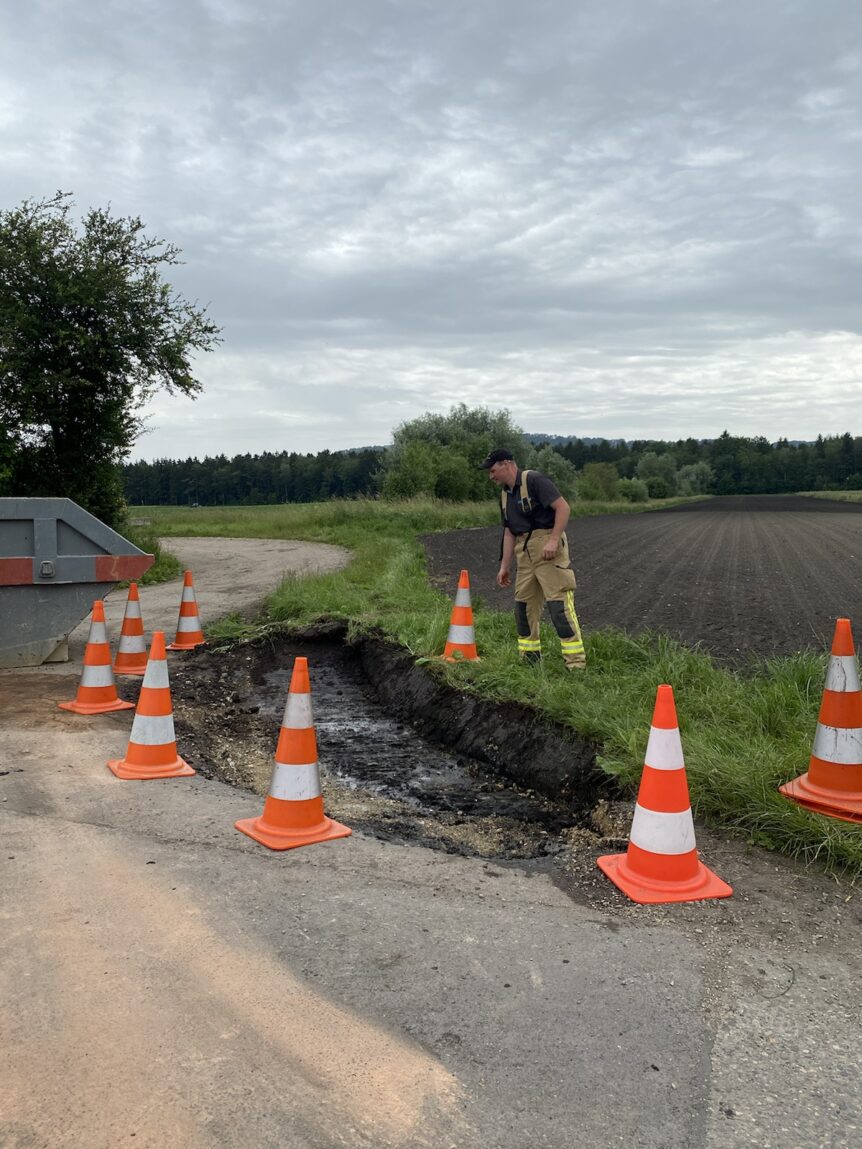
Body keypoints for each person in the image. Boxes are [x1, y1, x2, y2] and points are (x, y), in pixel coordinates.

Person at [479, 448, 586, 670]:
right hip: (523, 550)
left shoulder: (534, 480)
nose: (491, 476)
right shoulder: (505, 494)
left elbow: (563, 508)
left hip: (546, 547)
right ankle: (529, 660)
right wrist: (504, 566)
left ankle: (575, 665)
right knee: (523, 607)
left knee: (559, 606)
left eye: (493, 470)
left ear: (507, 463)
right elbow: (508, 532)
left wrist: (553, 540)